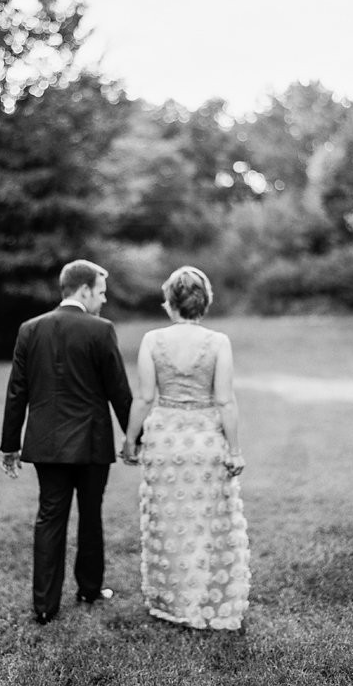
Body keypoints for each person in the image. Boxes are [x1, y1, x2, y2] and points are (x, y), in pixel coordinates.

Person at [0, 259, 132, 625]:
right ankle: (89, 589)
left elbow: (17, 391)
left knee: (49, 517)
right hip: (92, 443)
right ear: (84, 289)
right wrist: (134, 437)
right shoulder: (101, 330)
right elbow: (119, 391)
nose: (104, 300)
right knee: (90, 514)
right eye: (101, 292)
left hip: (46, 444)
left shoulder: (30, 329)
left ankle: (44, 605)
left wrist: (10, 444)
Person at [122, 266, 250, 630]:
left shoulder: (152, 340)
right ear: (204, 302)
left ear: (170, 302)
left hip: (165, 440)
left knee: (169, 521)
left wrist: (130, 440)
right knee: (207, 520)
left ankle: (172, 601)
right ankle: (205, 600)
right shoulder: (218, 342)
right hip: (205, 439)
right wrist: (234, 450)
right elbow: (225, 400)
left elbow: (145, 397)